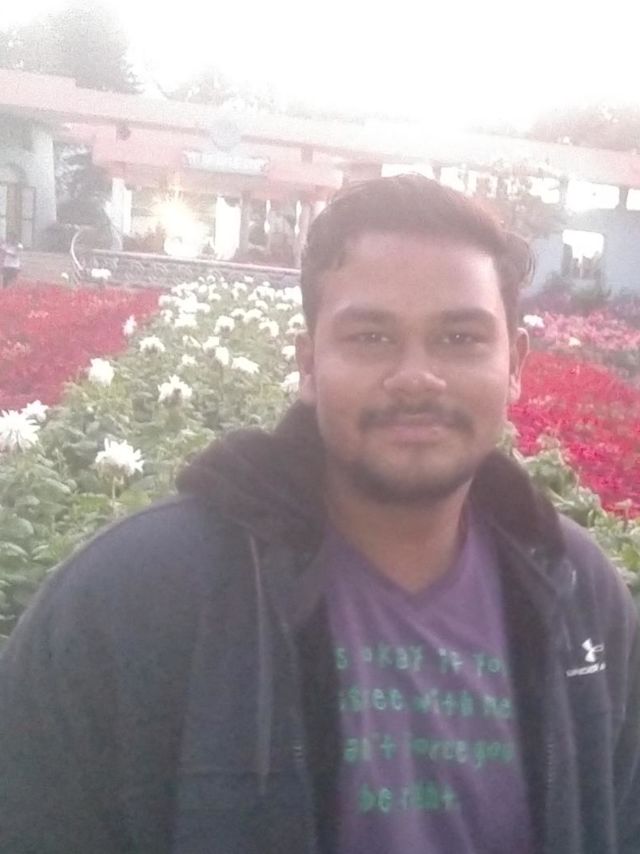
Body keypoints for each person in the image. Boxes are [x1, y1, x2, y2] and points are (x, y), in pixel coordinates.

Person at [1, 175, 639, 854]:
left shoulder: (579, 593)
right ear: (308, 363)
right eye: (371, 336)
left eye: (460, 338)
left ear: (515, 363)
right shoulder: (133, 598)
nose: (416, 376)